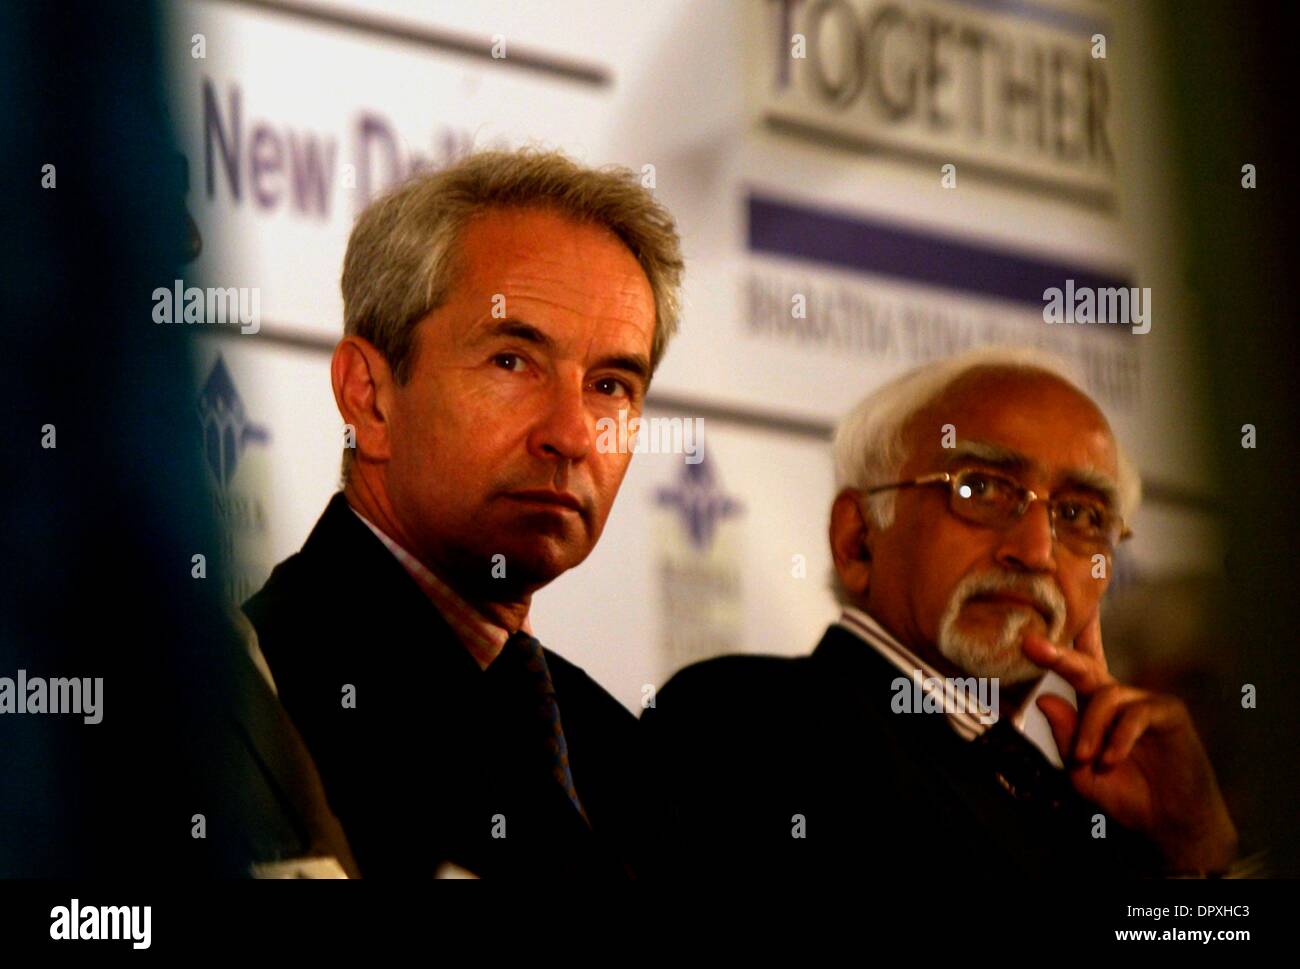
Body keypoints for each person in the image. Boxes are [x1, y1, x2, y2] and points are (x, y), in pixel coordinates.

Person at [244, 148, 683, 878]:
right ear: (370, 397)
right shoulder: (256, 702)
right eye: (512, 361)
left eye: (610, 385)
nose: (572, 434)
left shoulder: (625, 753)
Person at [643, 347, 1240, 878]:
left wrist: (1196, 853)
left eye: (1081, 516)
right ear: (858, 539)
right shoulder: (748, 720)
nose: (1035, 551)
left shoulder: (1093, 806)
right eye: (980, 489)